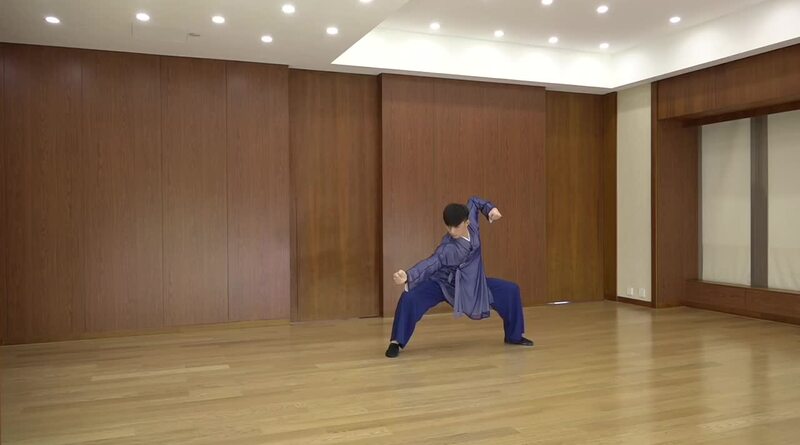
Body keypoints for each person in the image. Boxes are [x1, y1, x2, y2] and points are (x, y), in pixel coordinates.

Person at [385, 196, 534, 358]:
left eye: (456, 226)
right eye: (448, 226)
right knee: (410, 297)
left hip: (470, 283)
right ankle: (396, 341)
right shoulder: (447, 248)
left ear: (467, 222)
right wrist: (408, 276)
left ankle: (514, 336)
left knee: (510, 290)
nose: (452, 231)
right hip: (441, 283)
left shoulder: (472, 223)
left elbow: (475, 201)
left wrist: (490, 210)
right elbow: (430, 263)